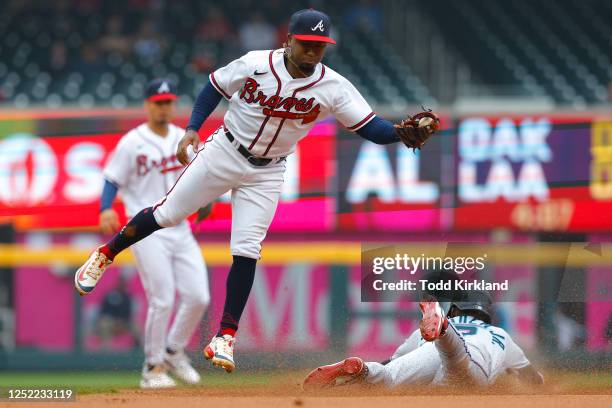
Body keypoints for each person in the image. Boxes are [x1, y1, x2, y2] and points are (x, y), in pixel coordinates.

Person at [74, 9, 434, 373]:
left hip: (269, 171)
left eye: (320, 46)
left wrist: (402, 134)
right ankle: (106, 253)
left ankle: (225, 336)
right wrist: (192, 128)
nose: (312, 52)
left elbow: (370, 128)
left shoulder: (334, 86)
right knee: (167, 214)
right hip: (225, 151)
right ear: (288, 40)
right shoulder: (255, 64)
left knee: (247, 249)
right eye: (307, 44)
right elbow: (213, 86)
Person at [81, 79, 211, 389]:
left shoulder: (184, 138)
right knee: (162, 299)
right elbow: (112, 178)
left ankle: (173, 351)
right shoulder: (132, 141)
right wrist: (105, 208)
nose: (164, 107)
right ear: (148, 104)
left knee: (198, 296)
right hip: (145, 230)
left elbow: (201, 175)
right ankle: (152, 369)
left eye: (168, 102)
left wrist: (207, 201)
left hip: (179, 226)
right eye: (158, 102)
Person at [303, 292, 545, 389]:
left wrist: (374, 372)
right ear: (487, 316)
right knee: (454, 369)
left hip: (429, 348)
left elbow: (392, 361)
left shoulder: (421, 332)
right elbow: (534, 380)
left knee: (389, 378)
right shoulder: (499, 335)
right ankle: (444, 332)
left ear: (456, 311)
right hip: (473, 361)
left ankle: (364, 370)